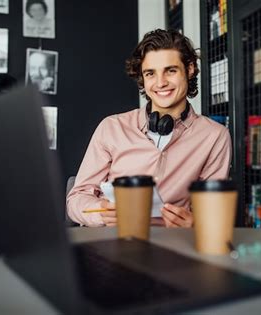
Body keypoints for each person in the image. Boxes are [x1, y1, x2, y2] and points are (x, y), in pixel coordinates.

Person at [66, 29, 232, 228]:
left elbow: (212, 214)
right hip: (113, 239)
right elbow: (76, 199)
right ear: (142, 78)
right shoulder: (111, 127)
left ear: (189, 69)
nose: (160, 83)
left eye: (170, 70)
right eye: (150, 73)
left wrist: (195, 224)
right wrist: (100, 212)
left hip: (171, 246)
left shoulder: (215, 136)